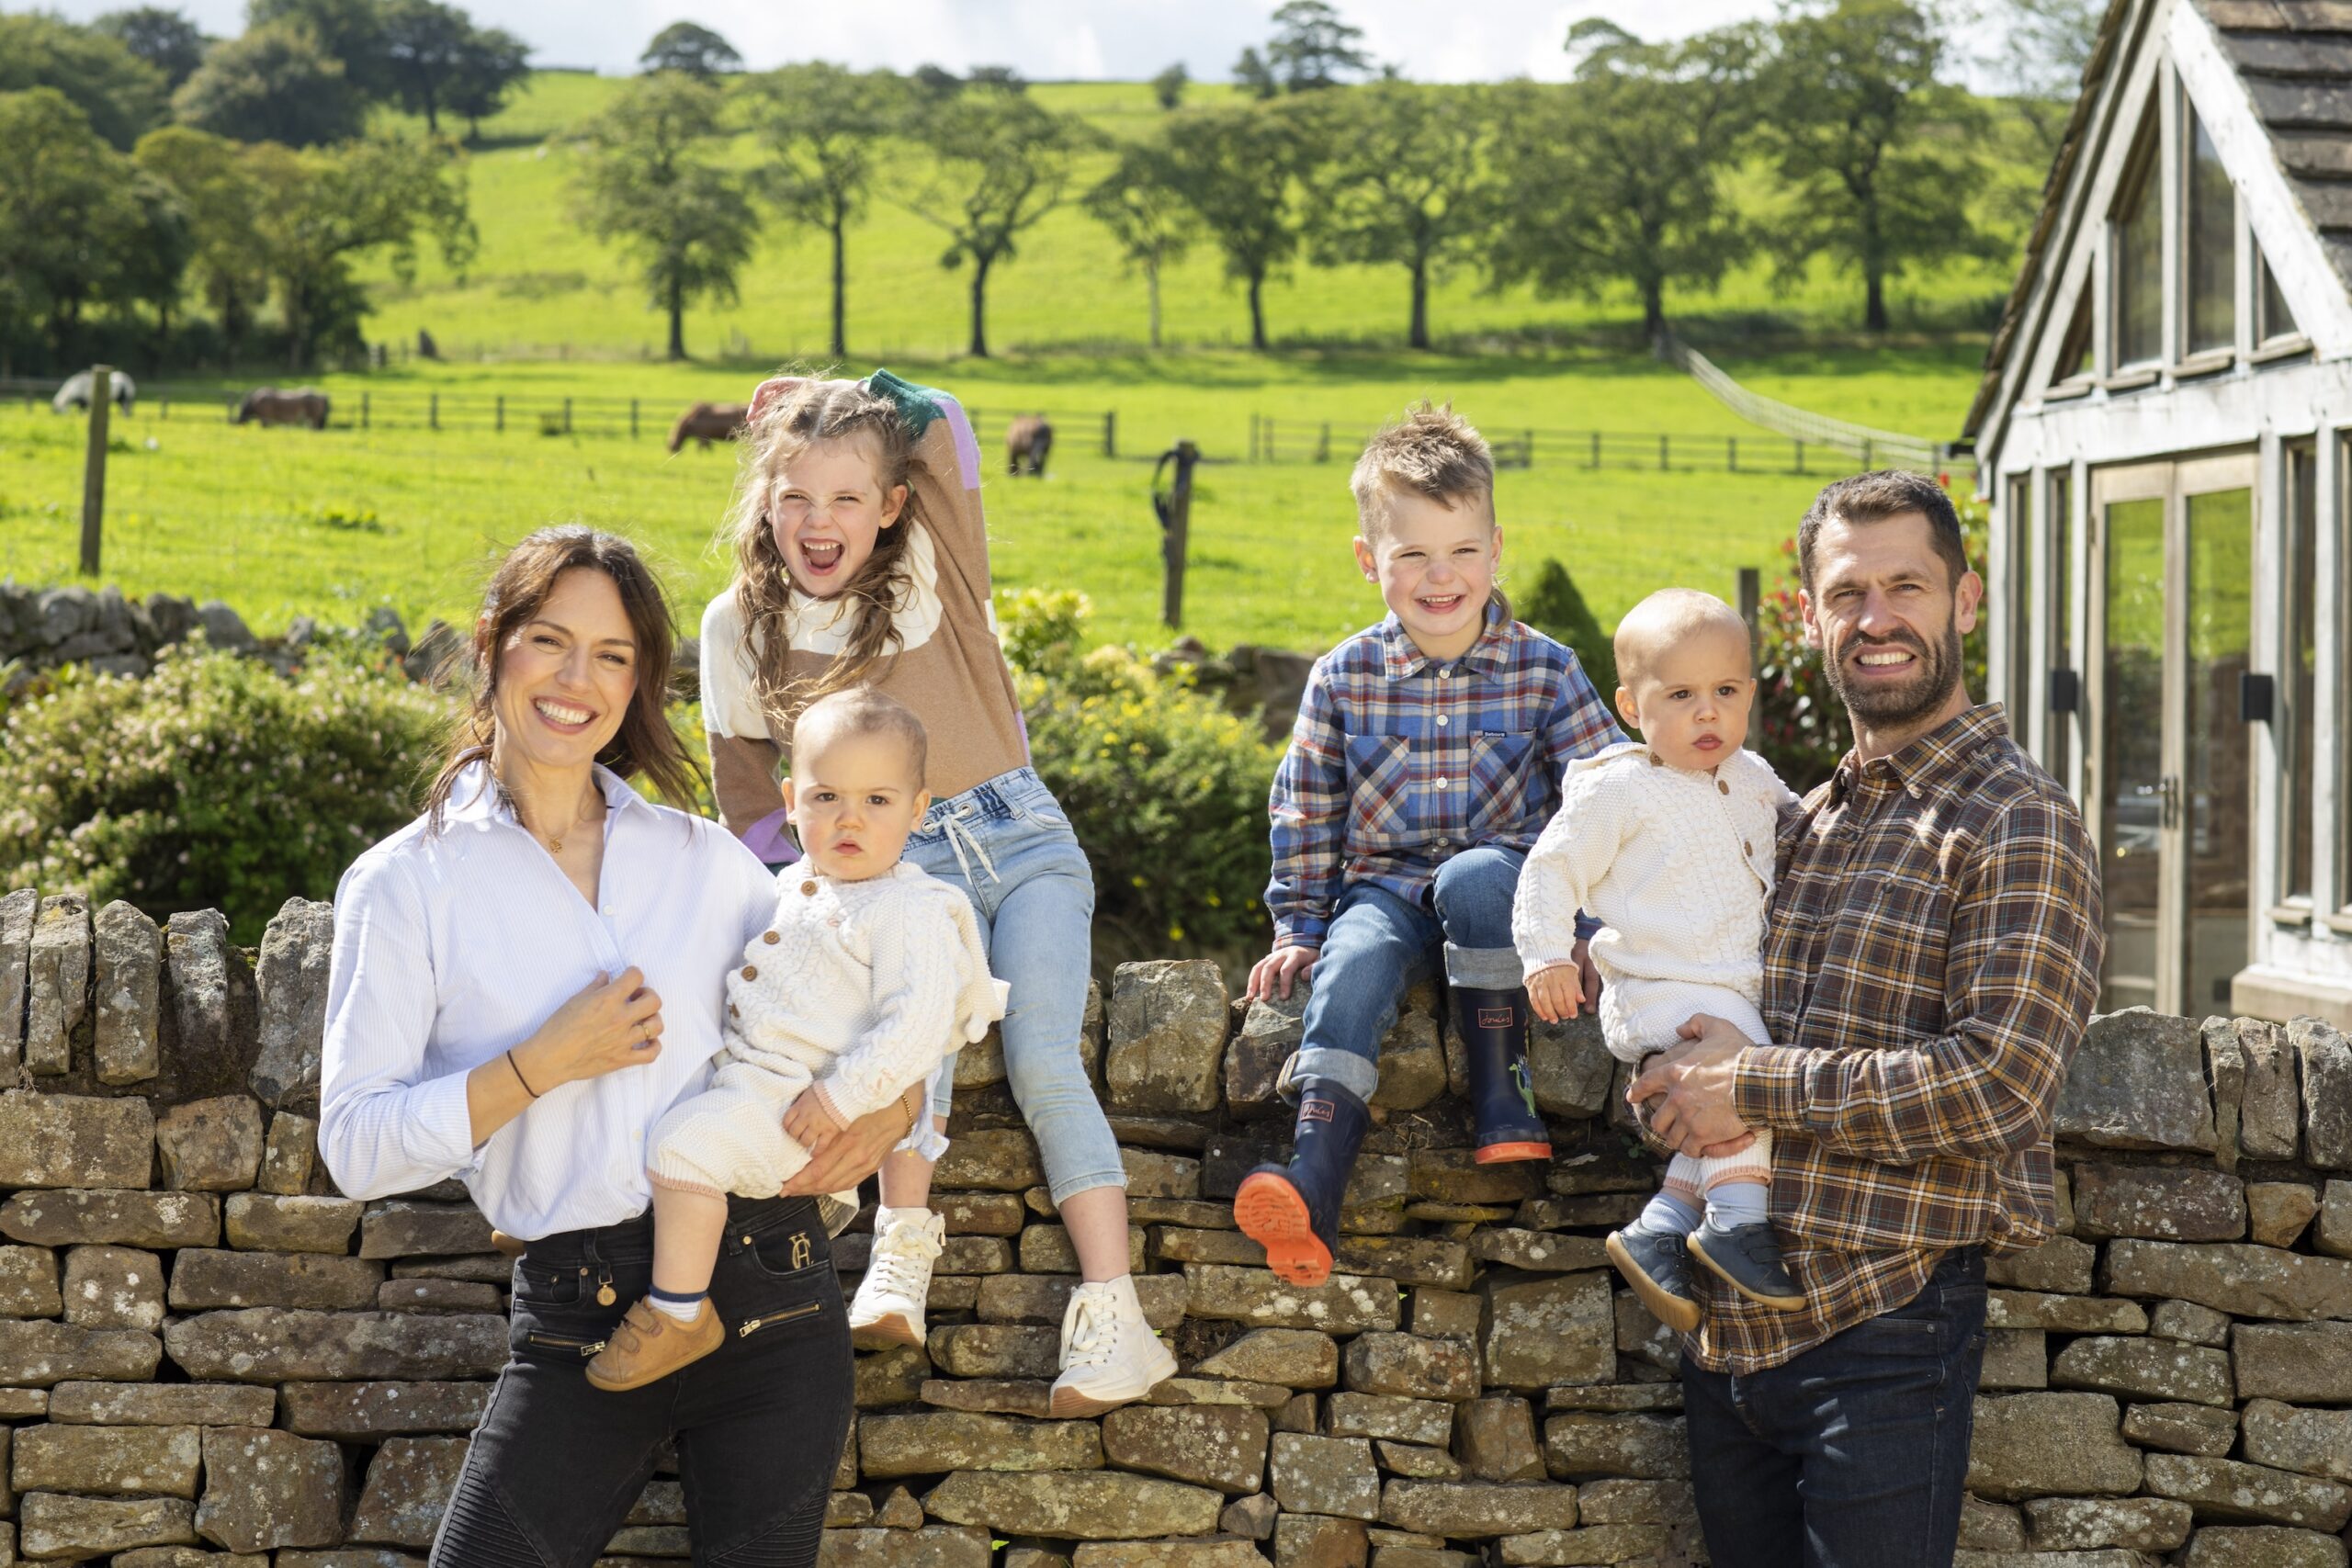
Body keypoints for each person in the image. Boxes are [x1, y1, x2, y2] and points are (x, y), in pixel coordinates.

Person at [320, 527, 919, 1568]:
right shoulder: (405, 883)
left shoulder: (705, 864)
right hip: (578, 1319)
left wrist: (895, 1110)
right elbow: (358, 1148)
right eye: (549, 640)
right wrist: (538, 1064)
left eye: (611, 655)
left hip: (775, 1294)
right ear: (490, 643)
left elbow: (873, 986)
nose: (575, 680)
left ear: (641, 680)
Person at [1629, 471, 2103, 1568]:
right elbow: (1704, 999)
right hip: (1729, 1334)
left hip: (1883, 1330)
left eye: (1907, 586)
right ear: (1810, 615)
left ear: (1964, 601)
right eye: (1847, 593)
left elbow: (1999, 1084)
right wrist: (1669, 1073)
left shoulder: (2015, 820)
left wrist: (1744, 1088)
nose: (1876, 619)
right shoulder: (1797, 816)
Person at [700, 371, 1176, 1415]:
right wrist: (821, 889)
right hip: (901, 863)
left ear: (891, 504)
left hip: (1026, 836)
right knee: (921, 1052)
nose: (819, 522)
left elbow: (946, 421)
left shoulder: (929, 568)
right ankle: (900, 1255)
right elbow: (747, 792)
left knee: (1045, 1053)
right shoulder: (738, 626)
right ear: (763, 499)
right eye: (795, 497)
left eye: (845, 498)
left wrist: (846, 389)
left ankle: (1114, 1317)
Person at [1236, 402, 1622, 1288]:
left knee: (1481, 875)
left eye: (1460, 552)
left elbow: (1605, 801)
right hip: (1382, 888)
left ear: (1496, 550)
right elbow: (1305, 809)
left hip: (1504, 888)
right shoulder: (1343, 677)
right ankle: (1314, 1176)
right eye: (1411, 555)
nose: (1438, 577)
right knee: (1352, 965)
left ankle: (1503, 1093)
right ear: (1370, 560)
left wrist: (1592, 924)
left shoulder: (1547, 668)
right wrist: (1298, 926)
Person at [584, 689, 1007, 1392]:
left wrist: (842, 1099)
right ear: (790, 798)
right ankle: (580, 1194)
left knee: (680, 1146)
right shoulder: (788, 887)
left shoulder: (909, 908)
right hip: (750, 1083)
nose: (849, 818)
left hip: (798, 1112)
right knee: (637, 1095)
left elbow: (920, 1019)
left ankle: (679, 1312)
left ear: (918, 810)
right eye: (826, 796)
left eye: (878, 800)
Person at [1513, 588, 1802, 1332]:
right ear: (1629, 705)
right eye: (1681, 694)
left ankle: (1664, 1224)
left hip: (1723, 984)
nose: (1708, 713)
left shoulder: (1754, 775)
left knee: (1732, 1075)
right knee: (1748, 1074)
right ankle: (1738, 1220)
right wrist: (1545, 951)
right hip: (1660, 985)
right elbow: (1550, 867)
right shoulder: (1620, 786)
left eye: (1726, 691)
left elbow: (1809, 825)